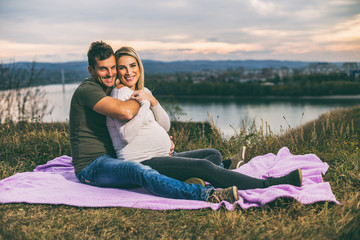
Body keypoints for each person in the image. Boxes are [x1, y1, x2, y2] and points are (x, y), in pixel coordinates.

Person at [105, 46, 303, 200]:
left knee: (213, 154)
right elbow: (126, 135)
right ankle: (266, 185)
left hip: (160, 155)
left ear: (139, 66)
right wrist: (146, 103)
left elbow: (165, 126)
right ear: (117, 71)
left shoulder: (142, 91)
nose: (129, 72)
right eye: (122, 67)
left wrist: (153, 101)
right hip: (142, 164)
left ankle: (202, 176)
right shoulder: (120, 94)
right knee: (203, 166)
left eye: (133, 65)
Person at [70, 41, 241, 204]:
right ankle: (205, 194)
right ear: (91, 71)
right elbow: (126, 112)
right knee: (137, 170)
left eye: (113, 67)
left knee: (210, 155)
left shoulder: (112, 87)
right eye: (102, 69)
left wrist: (163, 139)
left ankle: (216, 170)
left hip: (115, 157)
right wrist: (144, 97)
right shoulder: (89, 90)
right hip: (93, 166)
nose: (110, 73)